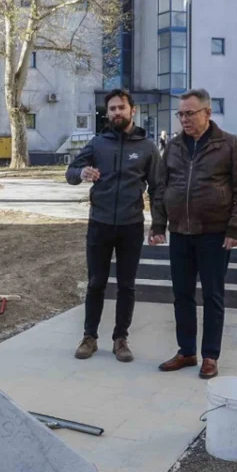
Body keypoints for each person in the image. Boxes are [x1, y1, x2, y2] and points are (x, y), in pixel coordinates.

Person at [149, 88, 237, 379]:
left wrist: (236, 228)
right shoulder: (172, 147)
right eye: (180, 114)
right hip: (180, 233)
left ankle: (210, 356)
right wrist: (158, 225)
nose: (184, 119)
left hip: (215, 234)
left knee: (212, 296)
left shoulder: (230, 146)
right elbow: (160, 189)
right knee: (182, 295)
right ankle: (186, 352)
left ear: (207, 113)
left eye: (190, 113)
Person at [66, 89, 163, 362]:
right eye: (111, 109)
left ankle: (121, 339)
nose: (116, 112)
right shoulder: (98, 144)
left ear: (132, 110)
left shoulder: (147, 147)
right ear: (106, 113)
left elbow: (157, 188)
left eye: (121, 107)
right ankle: (89, 337)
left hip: (131, 225)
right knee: (96, 283)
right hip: (99, 224)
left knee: (126, 285)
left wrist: (158, 224)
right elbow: (71, 172)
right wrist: (81, 172)